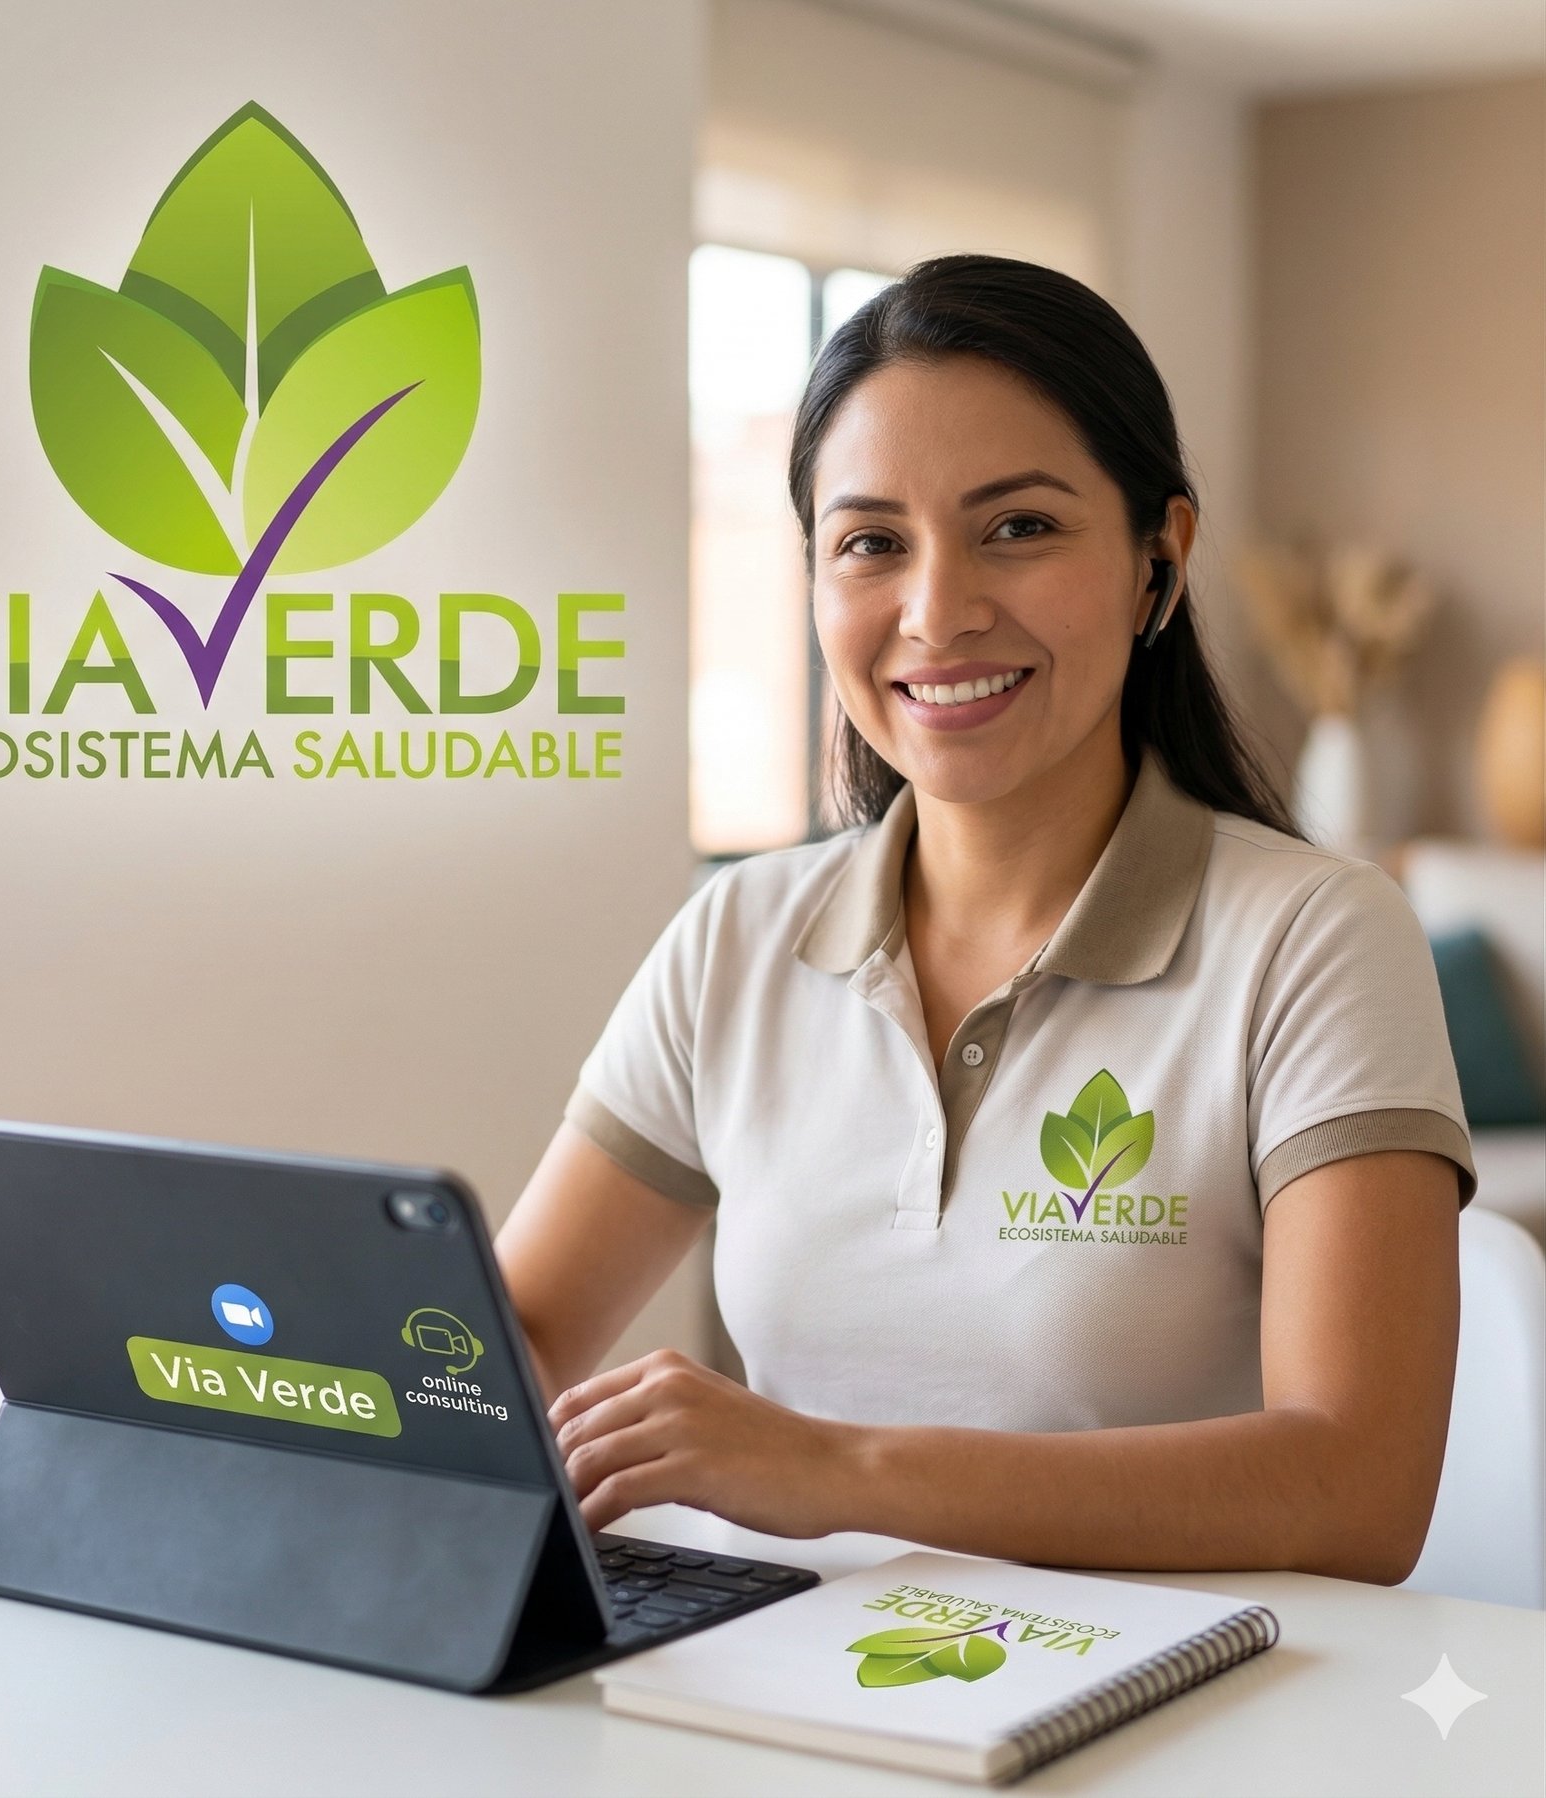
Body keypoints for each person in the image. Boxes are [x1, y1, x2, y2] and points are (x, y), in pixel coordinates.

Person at [494, 254, 1476, 1586]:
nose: (938, 612)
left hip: (1178, 1687)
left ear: (1158, 560)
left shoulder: (1318, 942)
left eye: (1018, 526)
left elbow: (1357, 1489)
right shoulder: (735, 938)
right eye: (871, 543)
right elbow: (514, 1338)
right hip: (780, 1672)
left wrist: (837, 1470)